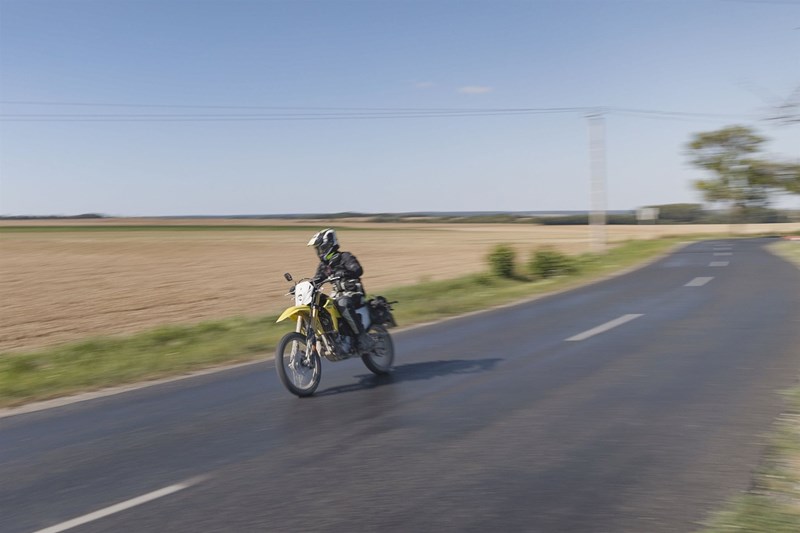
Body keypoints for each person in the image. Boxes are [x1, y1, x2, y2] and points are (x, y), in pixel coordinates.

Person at [308, 228, 374, 351]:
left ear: (329, 245)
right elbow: (317, 278)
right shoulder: (324, 265)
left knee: (342, 303)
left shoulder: (345, 256)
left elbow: (358, 269)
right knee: (322, 306)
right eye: (317, 249)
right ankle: (333, 337)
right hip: (337, 294)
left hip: (353, 293)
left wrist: (346, 271)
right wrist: (307, 285)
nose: (318, 251)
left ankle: (362, 337)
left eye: (320, 247)